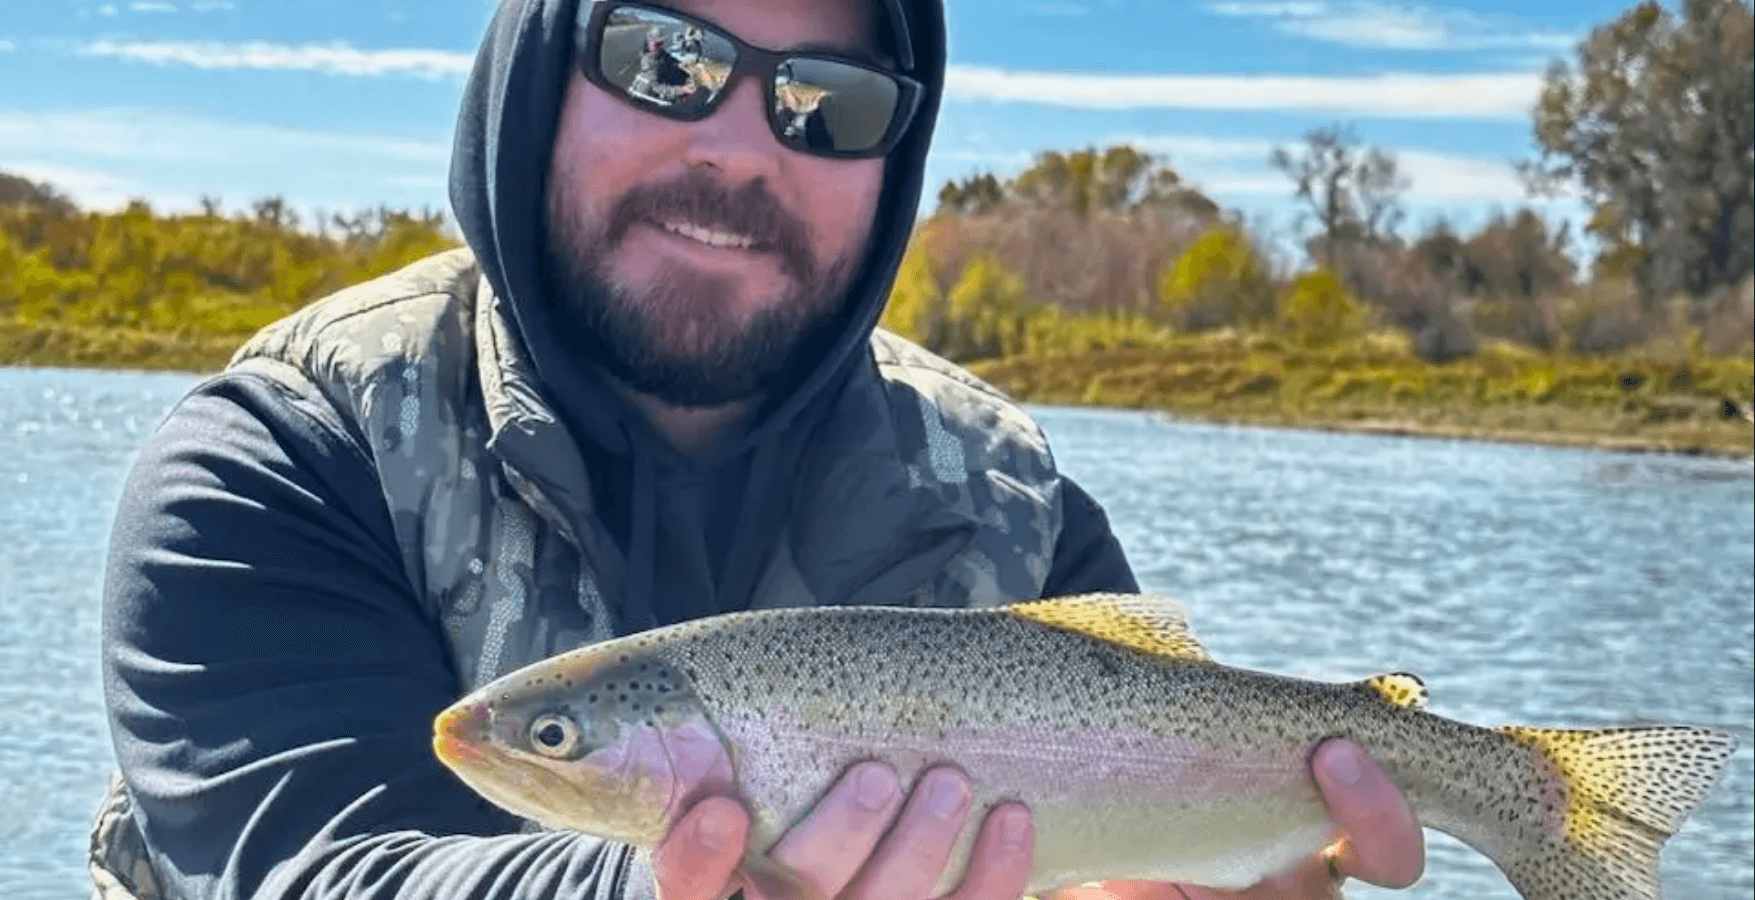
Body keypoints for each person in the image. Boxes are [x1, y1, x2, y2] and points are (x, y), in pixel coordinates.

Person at [89, 0, 1426, 898]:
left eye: (829, 104)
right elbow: (325, 873)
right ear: (533, 72)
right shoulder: (277, 461)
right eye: (660, 58)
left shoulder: (1016, 507)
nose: (736, 150)